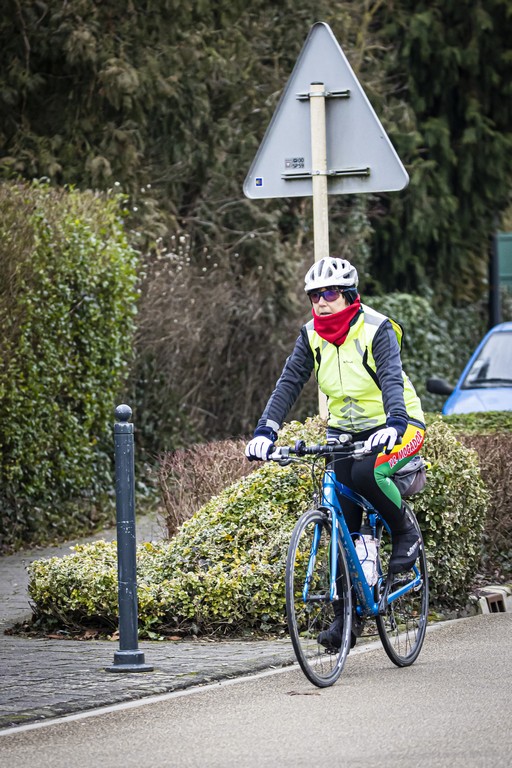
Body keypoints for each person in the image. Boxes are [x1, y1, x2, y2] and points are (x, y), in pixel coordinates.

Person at [245, 256, 426, 650]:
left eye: (329, 293)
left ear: (348, 295)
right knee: (343, 521)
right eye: (314, 296)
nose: (321, 302)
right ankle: (347, 617)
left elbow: (391, 378)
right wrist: (265, 431)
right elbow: (289, 383)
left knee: (366, 474)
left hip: (398, 424)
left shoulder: (376, 328)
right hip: (345, 431)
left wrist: (395, 423)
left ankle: (405, 532)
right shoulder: (311, 335)